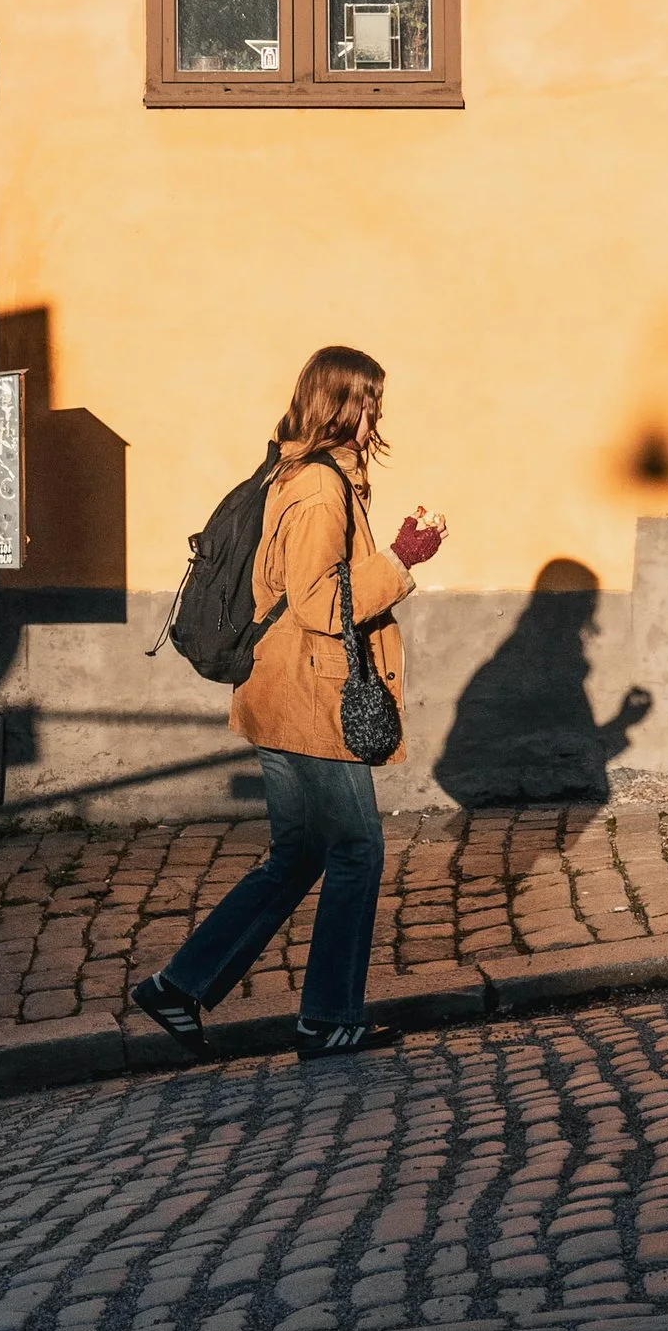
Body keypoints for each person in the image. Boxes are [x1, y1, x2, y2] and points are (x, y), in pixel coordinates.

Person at [133, 344, 444, 1062]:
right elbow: (315, 603)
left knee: (299, 853)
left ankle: (180, 988)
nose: (377, 416)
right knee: (358, 850)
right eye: (370, 402)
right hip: (311, 696)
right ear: (345, 405)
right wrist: (402, 558)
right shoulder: (318, 489)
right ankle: (329, 1016)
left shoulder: (296, 471)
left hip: (280, 693)